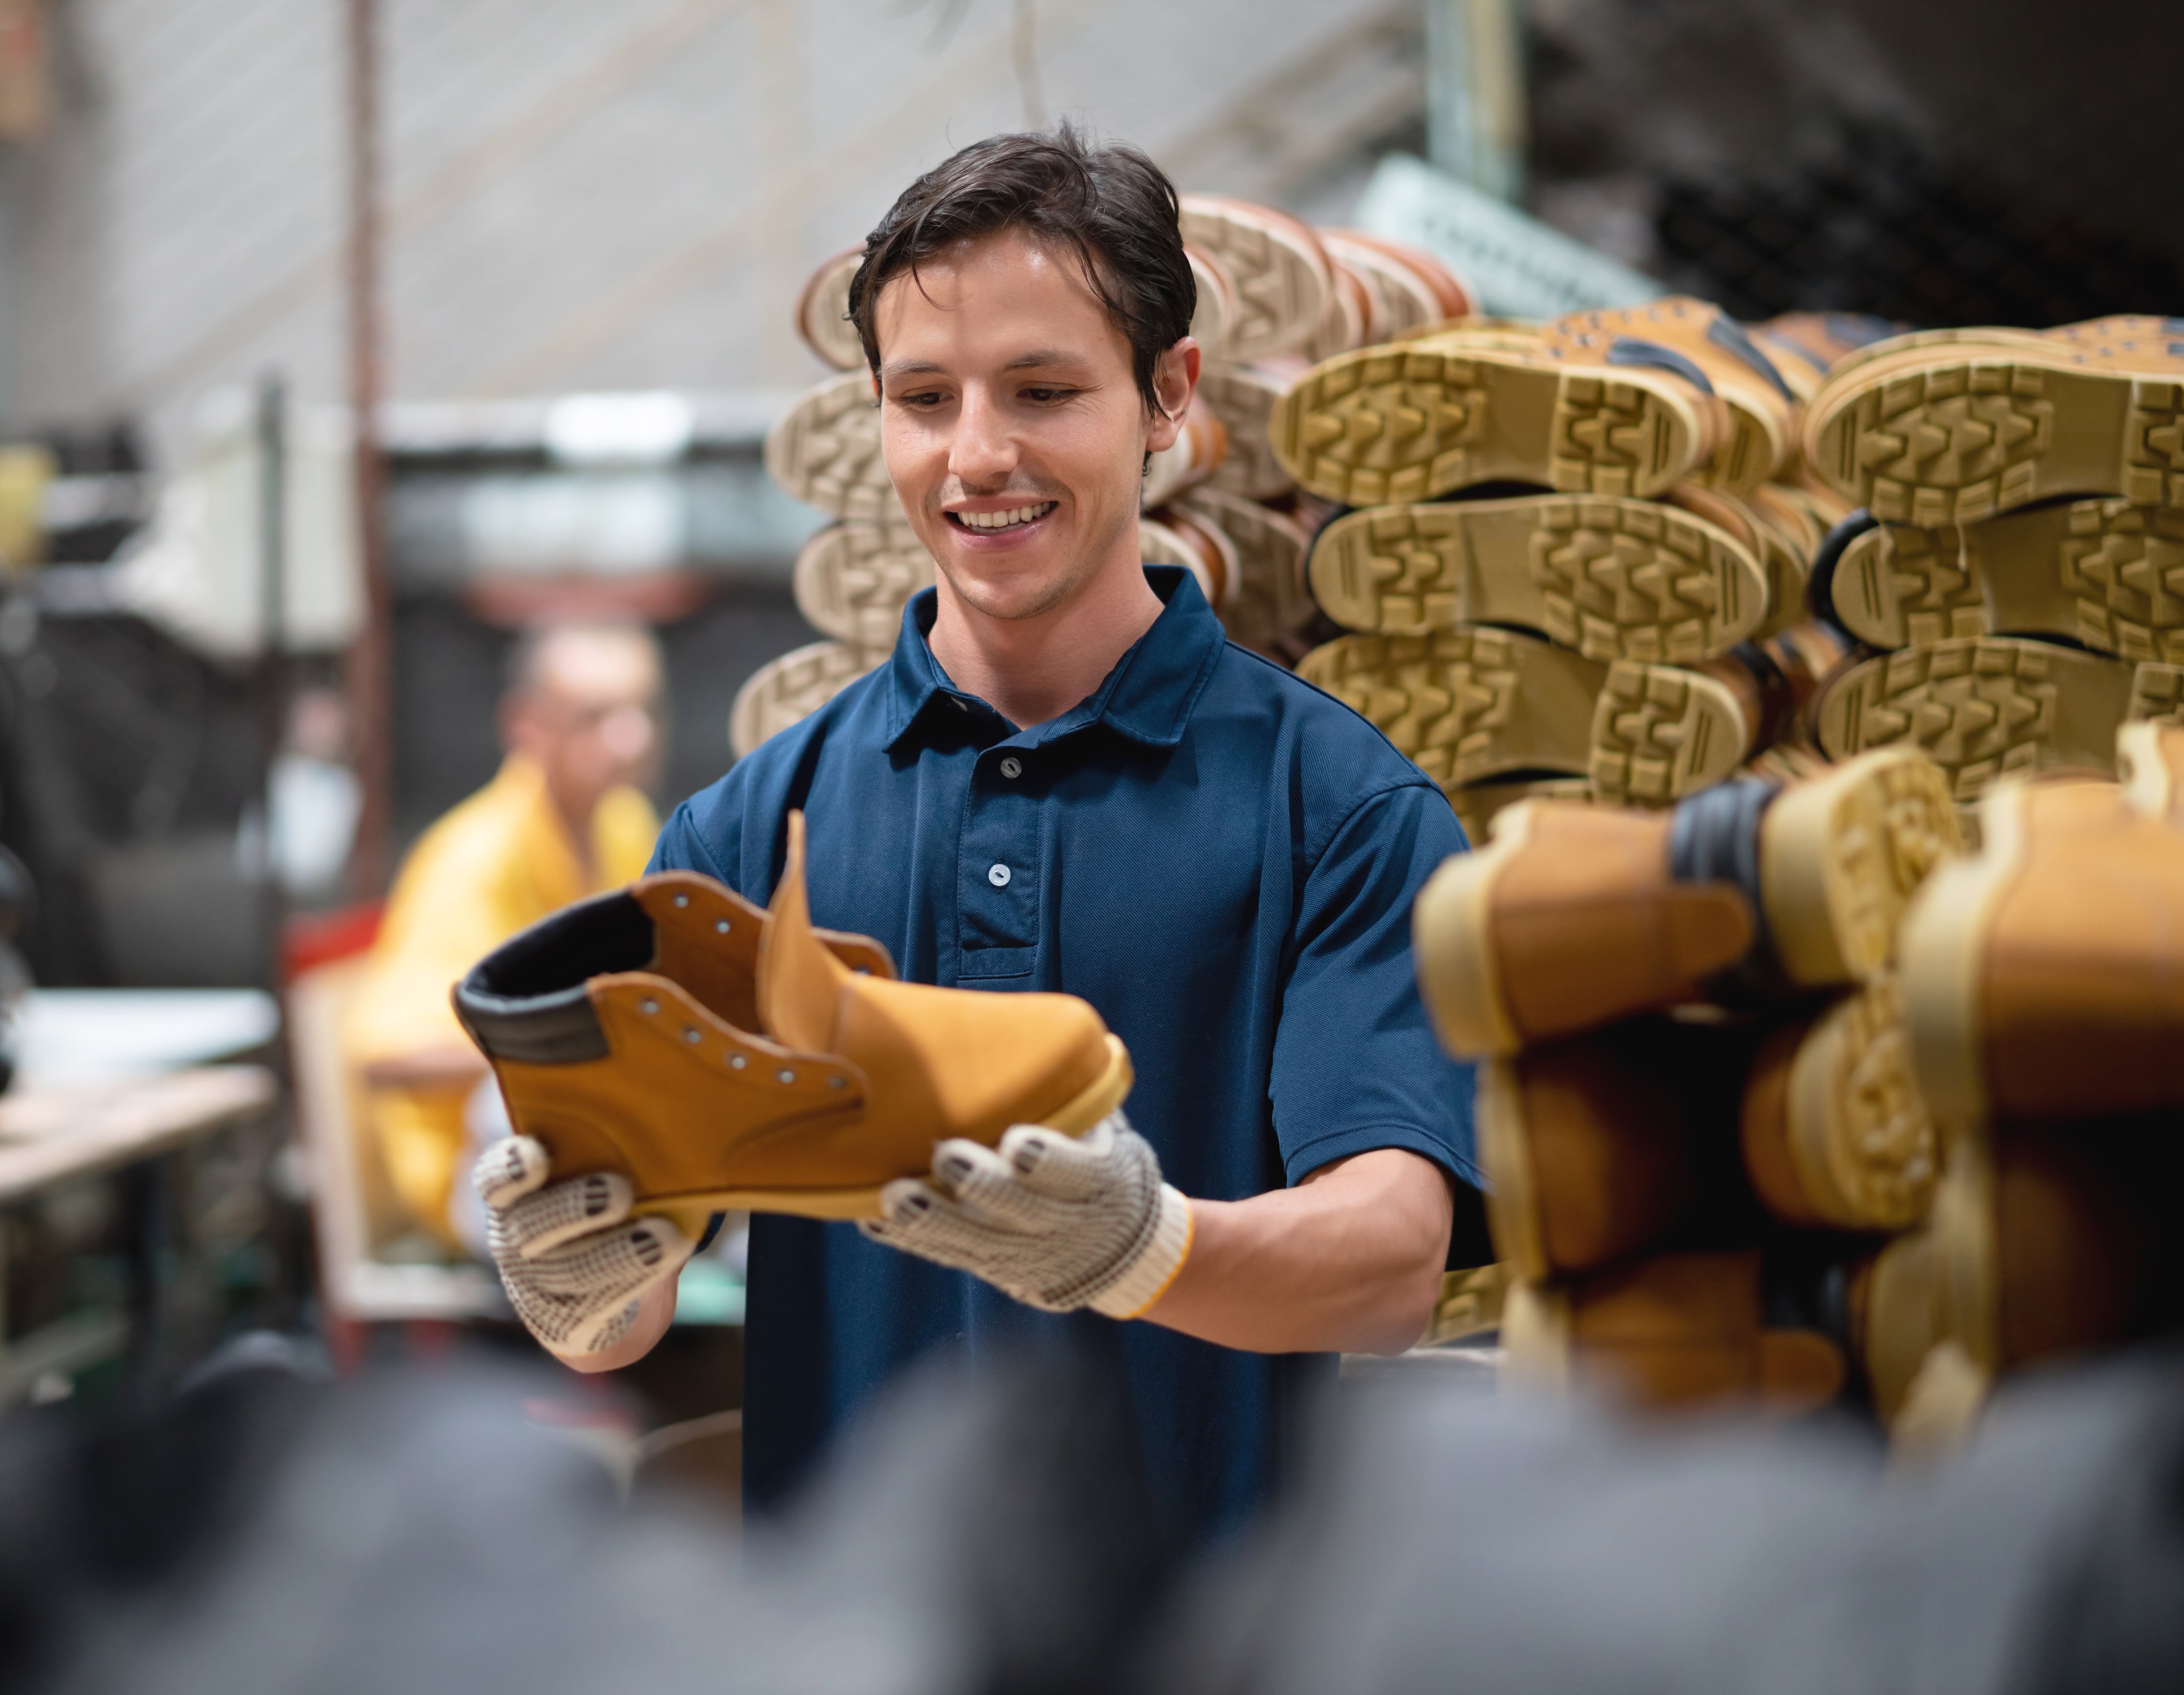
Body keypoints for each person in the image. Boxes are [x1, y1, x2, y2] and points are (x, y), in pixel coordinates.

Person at [475, 127, 1477, 1542]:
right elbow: (625, 1313)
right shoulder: (748, 831)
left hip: (1207, 1641)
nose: (977, 455)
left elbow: (1389, 1265)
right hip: (860, 1643)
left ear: (1168, 399)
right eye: (924, 397)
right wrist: (572, 1276)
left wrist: (1142, 1247)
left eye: (1045, 390)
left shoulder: (1340, 810)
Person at [344, 620, 662, 1250]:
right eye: (595, 716)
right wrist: (573, 1045)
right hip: (482, 1178)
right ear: (528, 726)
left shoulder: (625, 824)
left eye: (642, 709)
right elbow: (382, 1055)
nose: (632, 738)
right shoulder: (473, 859)